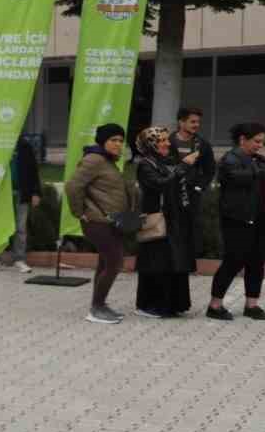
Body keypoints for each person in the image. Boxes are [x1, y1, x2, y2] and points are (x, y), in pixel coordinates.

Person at [65, 123, 135, 325]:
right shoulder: (94, 160)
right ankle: (96, 308)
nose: (118, 144)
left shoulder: (107, 161)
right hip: (97, 221)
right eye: (113, 140)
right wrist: (80, 212)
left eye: (121, 140)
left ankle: (100, 305)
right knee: (115, 262)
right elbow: (72, 186)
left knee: (105, 262)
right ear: (102, 141)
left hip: (110, 221)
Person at [130, 126, 195, 318]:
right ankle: (149, 305)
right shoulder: (145, 164)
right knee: (156, 264)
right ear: (151, 144)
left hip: (171, 219)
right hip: (156, 220)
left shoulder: (164, 161)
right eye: (163, 140)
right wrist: (183, 167)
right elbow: (160, 184)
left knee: (170, 263)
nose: (168, 143)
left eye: (167, 139)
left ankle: (172, 304)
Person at [205, 121, 265, 321]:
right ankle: (215, 305)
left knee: (257, 261)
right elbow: (235, 176)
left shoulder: (257, 159)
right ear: (243, 139)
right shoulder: (230, 159)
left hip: (258, 218)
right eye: (257, 141)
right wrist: (260, 172)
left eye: (262, 142)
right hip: (237, 219)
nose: (260, 145)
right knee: (234, 260)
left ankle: (252, 304)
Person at [0, 137, 43, 275]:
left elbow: (33, 170)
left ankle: (19, 259)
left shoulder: (25, 146)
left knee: (20, 228)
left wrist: (36, 192)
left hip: (21, 193)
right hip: (0, 194)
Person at [172, 107, 216, 274]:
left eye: (198, 122)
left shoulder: (202, 144)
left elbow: (210, 170)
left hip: (191, 194)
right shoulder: (167, 141)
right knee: (170, 226)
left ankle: (187, 265)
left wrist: (199, 187)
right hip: (170, 191)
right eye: (192, 121)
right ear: (181, 122)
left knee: (190, 227)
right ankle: (170, 262)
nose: (196, 125)